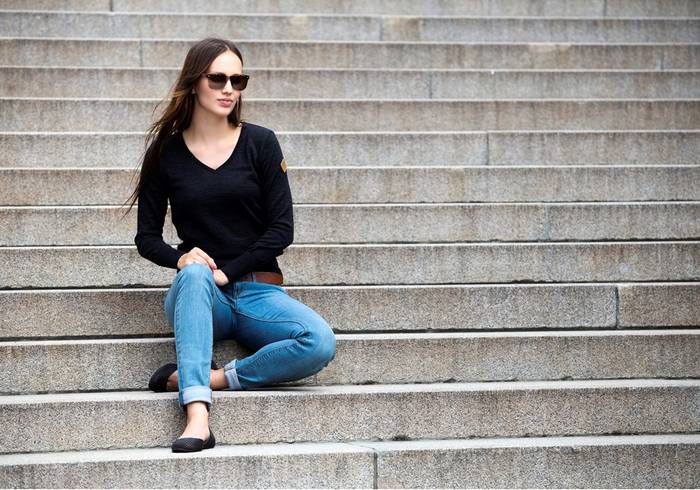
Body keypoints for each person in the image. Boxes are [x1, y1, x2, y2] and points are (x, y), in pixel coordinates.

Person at [125, 37, 337, 453]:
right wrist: (182, 259)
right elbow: (146, 239)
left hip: (259, 291)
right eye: (218, 78)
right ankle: (197, 415)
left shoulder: (260, 142)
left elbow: (281, 230)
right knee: (194, 274)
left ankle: (211, 378)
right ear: (194, 82)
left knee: (318, 342)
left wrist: (230, 271)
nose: (229, 89)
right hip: (201, 295)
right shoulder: (166, 152)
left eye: (238, 80)